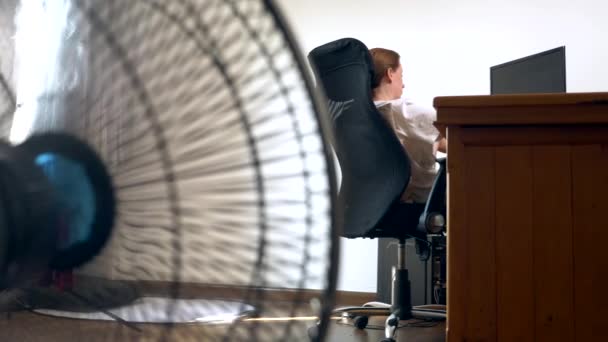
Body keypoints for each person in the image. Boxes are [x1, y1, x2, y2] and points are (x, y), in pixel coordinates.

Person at [369, 47, 447, 204]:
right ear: (390, 74)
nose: (403, 85)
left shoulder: (359, 114)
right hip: (419, 207)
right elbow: (459, 134)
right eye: (401, 76)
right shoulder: (403, 111)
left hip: (374, 209)